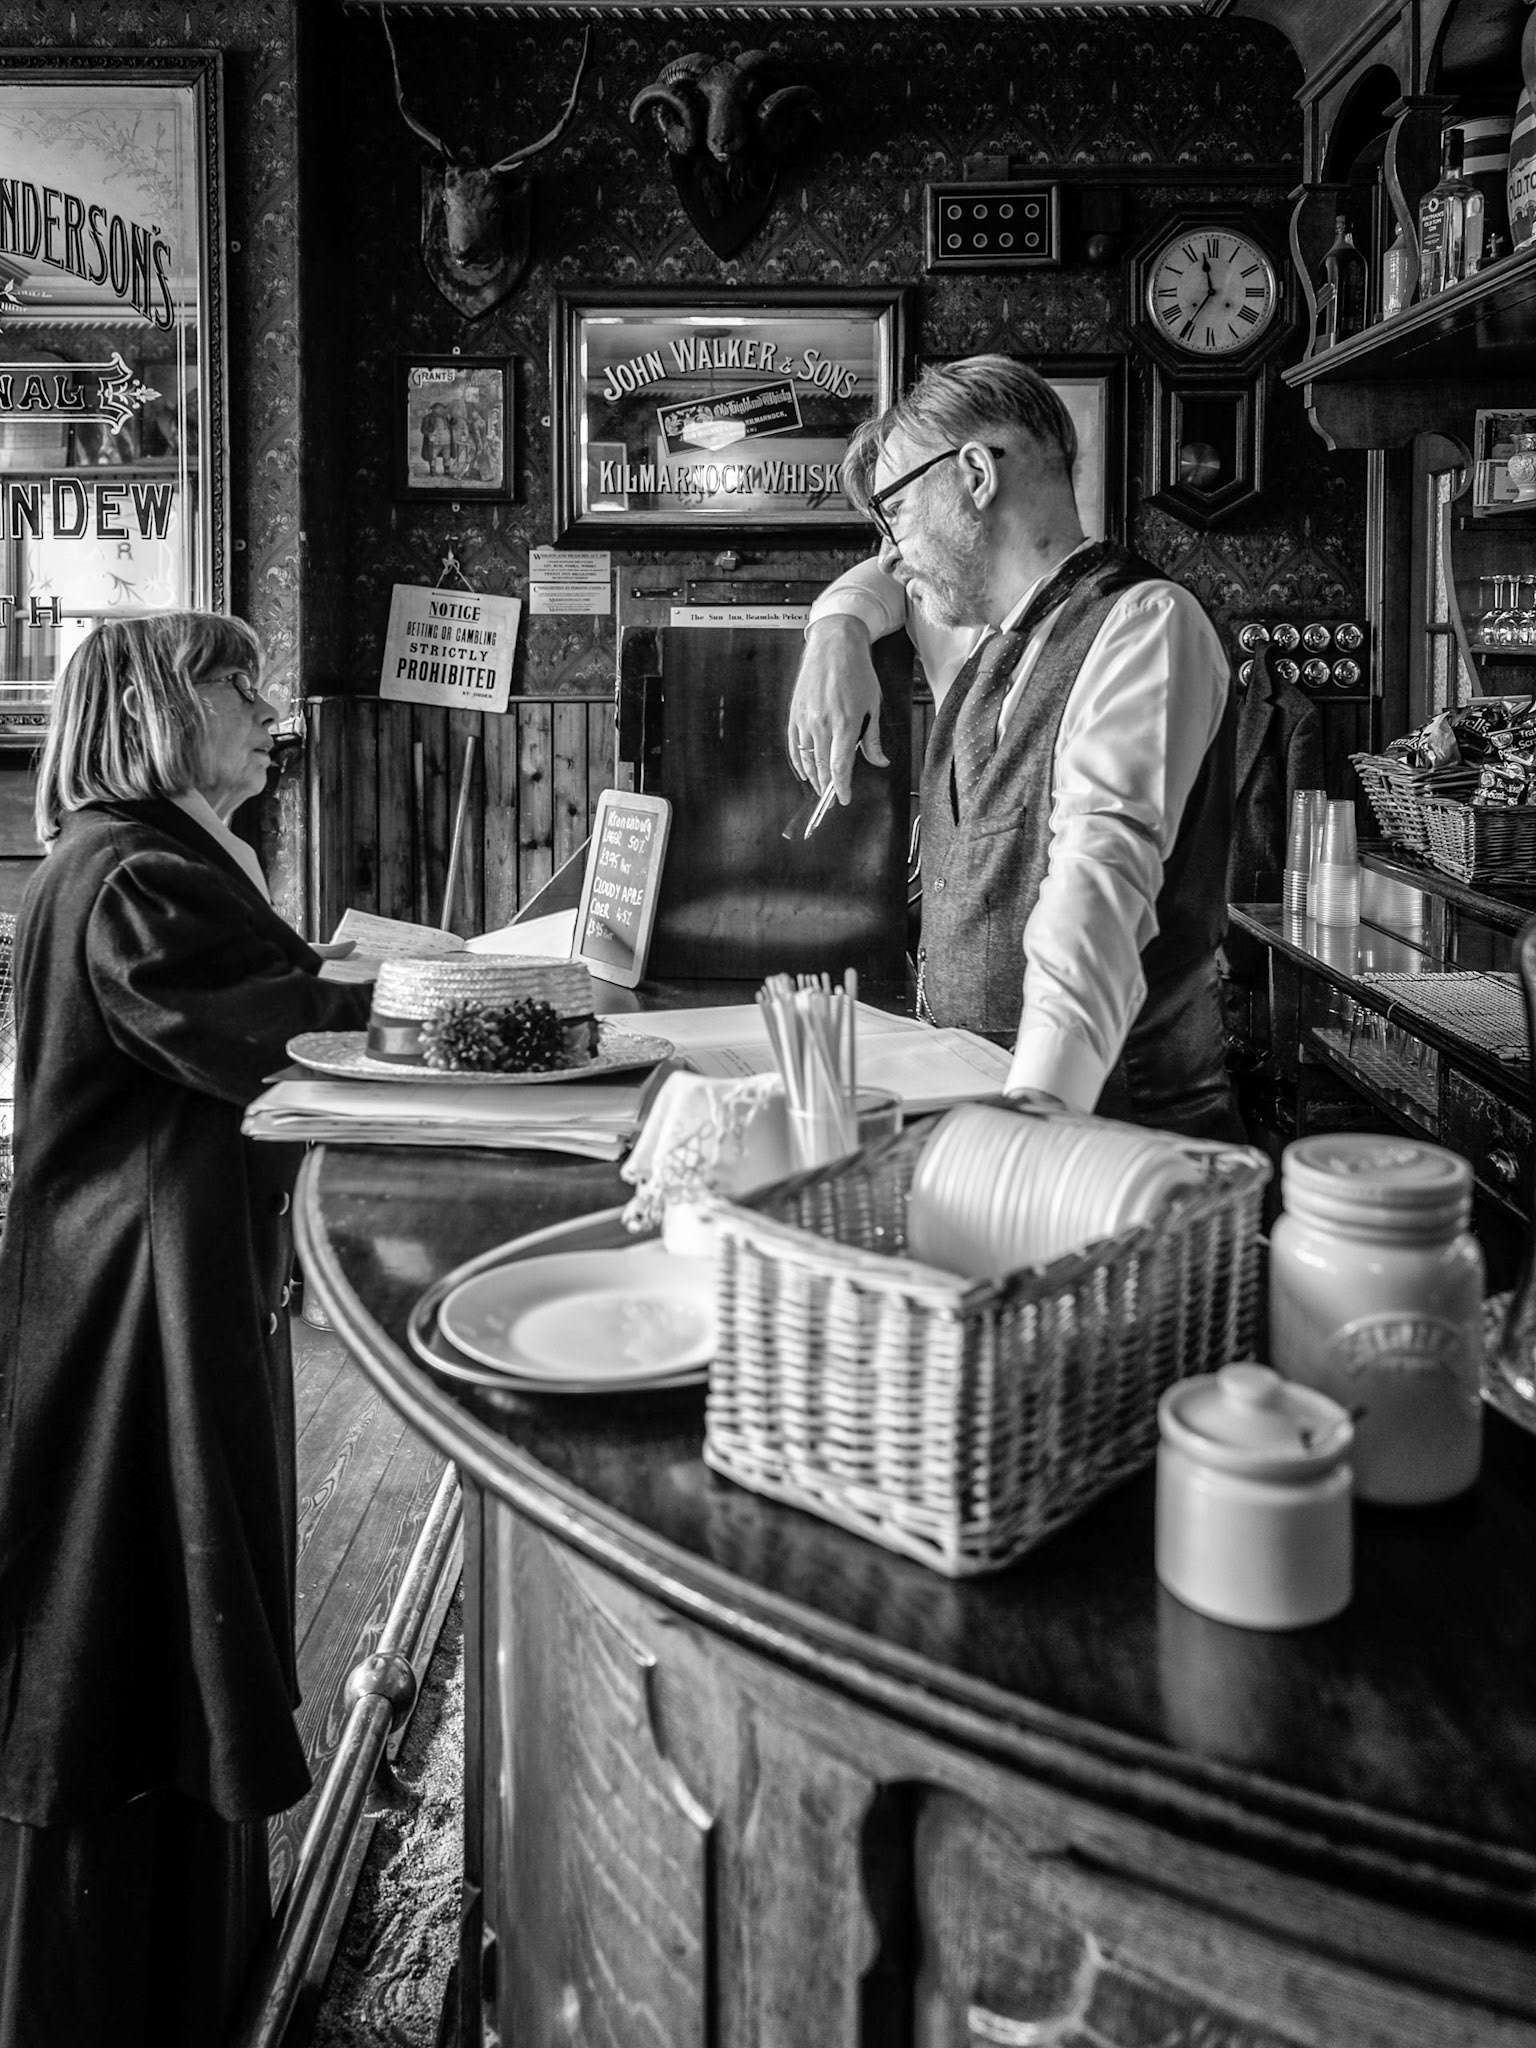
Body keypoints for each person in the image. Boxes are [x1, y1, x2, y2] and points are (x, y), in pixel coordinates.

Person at [0, 612, 373, 2046]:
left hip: (158, 1289)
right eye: (239, 685)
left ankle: (194, 1967)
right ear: (163, 705)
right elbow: (274, 1028)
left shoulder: (140, 857)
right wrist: (463, 992)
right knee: (121, 1634)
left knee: (160, 1621)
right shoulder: (130, 871)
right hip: (125, 1321)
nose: (267, 709)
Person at [789, 355, 1243, 1141]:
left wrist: (1028, 1127)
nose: (890, 551)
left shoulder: (1143, 626)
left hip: (1115, 1145)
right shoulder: (985, 643)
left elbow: (1095, 904)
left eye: (895, 512)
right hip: (979, 1118)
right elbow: (878, 584)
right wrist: (836, 628)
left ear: (974, 474)